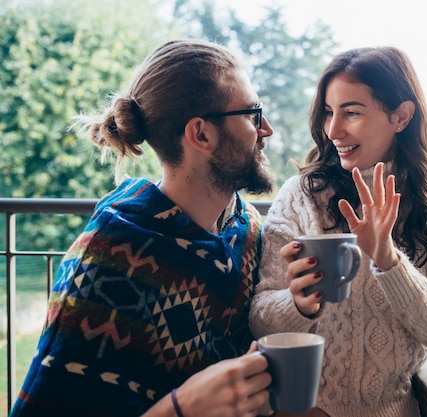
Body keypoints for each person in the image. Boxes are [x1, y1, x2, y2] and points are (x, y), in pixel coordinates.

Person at [10, 39, 275, 417]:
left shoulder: (245, 228)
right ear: (201, 134)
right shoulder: (108, 261)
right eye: (252, 114)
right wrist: (180, 409)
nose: (267, 129)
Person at [249, 46, 427, 417]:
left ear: (401, 116)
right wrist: (297, 302)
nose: (333, 129)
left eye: (352, 112)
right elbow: (260, 318)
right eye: (329, 112)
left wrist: (389, 260)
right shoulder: (301, 196)